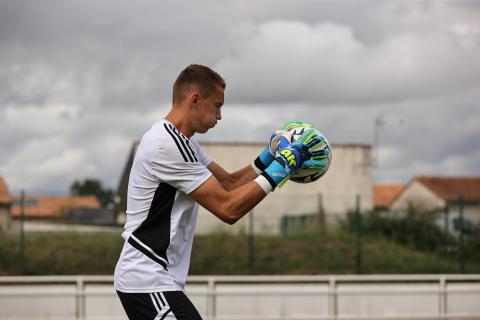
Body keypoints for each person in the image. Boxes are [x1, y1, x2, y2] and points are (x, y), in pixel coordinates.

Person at [114, 64, 326, 319]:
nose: (219, 116)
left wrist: (269, 156)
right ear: (195, 100)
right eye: (217, 105)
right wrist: (283, 167)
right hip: (146, 278)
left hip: (156, 278)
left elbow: (228, 184)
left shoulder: (184, 141)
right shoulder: (165, 145)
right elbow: (228, 208)